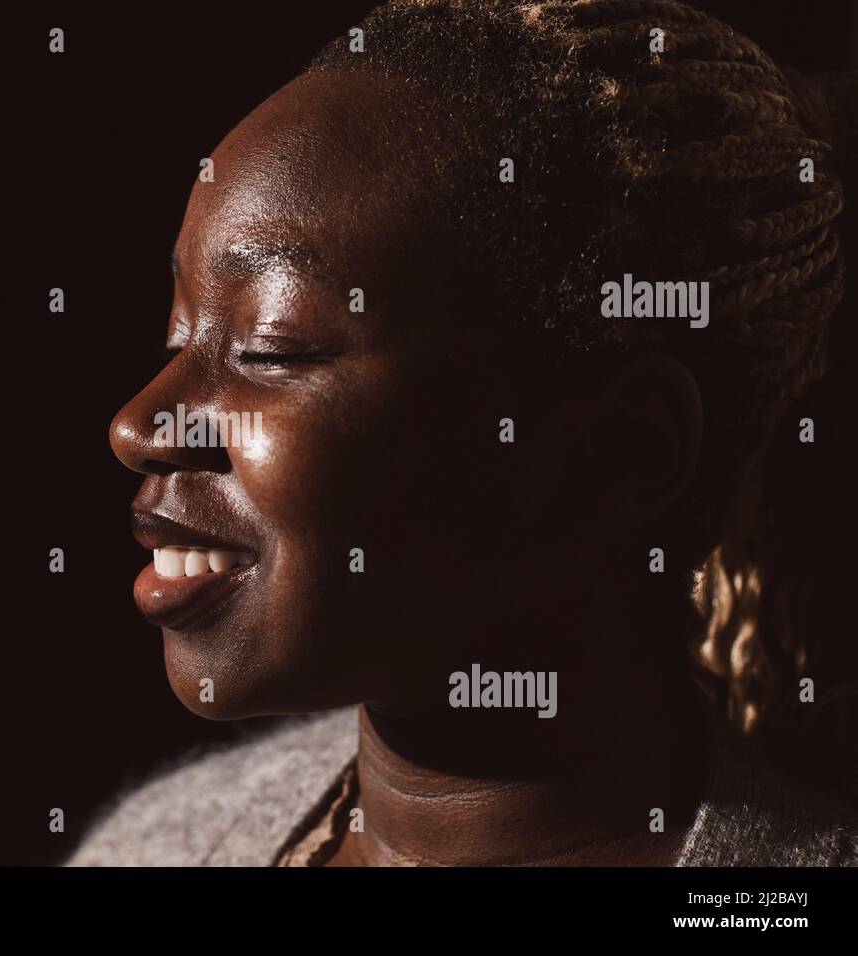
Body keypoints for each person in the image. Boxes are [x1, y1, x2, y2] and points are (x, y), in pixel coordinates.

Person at [70, 0, 858, 866]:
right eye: (178, 338)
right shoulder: (157, 846)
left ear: (625, 450)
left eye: (271, 347)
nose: (137, 425)